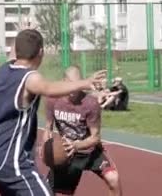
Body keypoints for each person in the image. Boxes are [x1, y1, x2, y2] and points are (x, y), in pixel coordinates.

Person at [0, 29, 106, 196]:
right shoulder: (30, 78)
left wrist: (24, 32)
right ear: (41, 52)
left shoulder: (4, 69)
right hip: (11, 162)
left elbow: (15, 52)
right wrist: (85, 82)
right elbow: (50, 89)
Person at [42, 66, 122, 196]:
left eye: (77, 83)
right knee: (60, 192)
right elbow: (48, 128)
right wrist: (46, 149)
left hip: (90, 151)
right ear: (64, 81)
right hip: (67, 153)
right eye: (71, 83)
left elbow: (95, 137)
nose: (75, 88)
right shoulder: (53, 100)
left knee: (113, 178)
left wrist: (76, 145)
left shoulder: (90, 104)